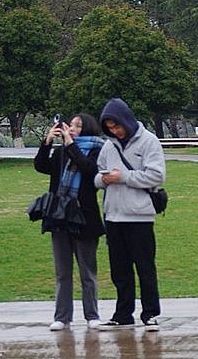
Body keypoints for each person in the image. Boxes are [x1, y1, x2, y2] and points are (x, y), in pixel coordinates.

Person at [93, 98, 165, 332]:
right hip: (113, 216)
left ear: (127, 120)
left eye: (117, 126)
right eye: (110, 128)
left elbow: (156, 176)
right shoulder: (108, 146)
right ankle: (122, 314)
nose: (115, 131)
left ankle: (150, 313)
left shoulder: (149, 141)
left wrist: (122, 177)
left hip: (140, 216)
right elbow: (96, 177)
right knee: (119, 270)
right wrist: (103, 179)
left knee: (145, 267)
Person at [34, 113, 106, 331]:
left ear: (88, 129)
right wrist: (47, 141)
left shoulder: (97, 149)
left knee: (87, 271)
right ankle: (62, 317)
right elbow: (41, 166)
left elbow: (88, 169)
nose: (72, 128)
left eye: (78, 126)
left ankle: (92, 315)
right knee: (62, 272)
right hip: (60, 216)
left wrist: (70, 144)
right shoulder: (62, 151)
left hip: (84, 217)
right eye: (71, 125)